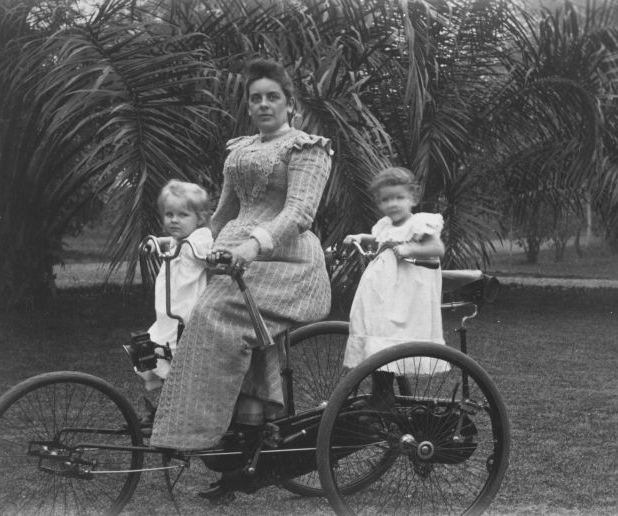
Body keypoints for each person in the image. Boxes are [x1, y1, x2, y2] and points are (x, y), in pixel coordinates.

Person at [149, 58, 333, 453]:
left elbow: (299, 213)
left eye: (273, 97)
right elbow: (224, 214)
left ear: (289, 103)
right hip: (234, 258)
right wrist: (189, 244)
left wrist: (253, 245)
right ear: (248, 107)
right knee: (195, 315)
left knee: (213, 314)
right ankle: (243, 436)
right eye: (256, 99)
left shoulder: (307, 148)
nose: (264, 104)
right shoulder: (240, 150)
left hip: (289, 262)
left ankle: (189, 435)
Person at [342, 166, 448, 402]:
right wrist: (362, 237)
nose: (392, 204)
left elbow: (437, 249)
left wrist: (410, 248)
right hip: (381, 292)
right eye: (386, 199)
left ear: (413, 198)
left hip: (404, 294)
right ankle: (382, 393)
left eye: (399, 198)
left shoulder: (420, 223)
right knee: (376, 336)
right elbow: (383, 240)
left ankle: (383, 397)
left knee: (390, 338)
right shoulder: (385, 225)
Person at [135, 180, 213, 394]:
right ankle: (160, 395)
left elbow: (205, 251)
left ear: (200, 218)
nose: (175, 220)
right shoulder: (180, 239)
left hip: (187, 311)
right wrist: (157, 243)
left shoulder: (200, 237)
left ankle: (171, 397)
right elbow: (172, 240)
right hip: (169, 311)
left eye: (183, 215)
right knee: (148, 347)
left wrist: (213, 256)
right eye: (169, 215)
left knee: (169, 352)